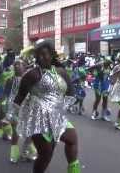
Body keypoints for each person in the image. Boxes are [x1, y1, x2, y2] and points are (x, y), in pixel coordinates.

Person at [13, 39, 81, 173]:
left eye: (44, 54)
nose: (41, 58)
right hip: (37, 118)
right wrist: (10, 116)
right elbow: (19, 97)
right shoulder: (32, 74)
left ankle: (73, 170)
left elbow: (70, 92)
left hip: (57, 116)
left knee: (72, 139)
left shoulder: (61, 71)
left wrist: (66, 105)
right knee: (46, 155)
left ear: (51, 54)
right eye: (38, 55)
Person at [5, 59, 37, 163]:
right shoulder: (10, 79)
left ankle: (26, 149)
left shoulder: (30, 78)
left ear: (24, 66)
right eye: (15, 64)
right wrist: (7, 108)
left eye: (19, 64)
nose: (17, 66)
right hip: (15, 106)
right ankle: (14, 152)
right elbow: (7, 94)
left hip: (28, 106)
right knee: (16, 130)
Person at [91, 56, 112, 121]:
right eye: (107, 62)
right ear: (104, 61)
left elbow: (109, 75)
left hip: (105, 84)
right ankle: (94, 113)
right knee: (98, 99)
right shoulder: (99, 66)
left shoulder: (109, 67)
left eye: (109, 62)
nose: (108, 64)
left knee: (105, 99)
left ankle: (103, 115)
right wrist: (95, 72)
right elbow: (92, 71)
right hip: (98, 84)